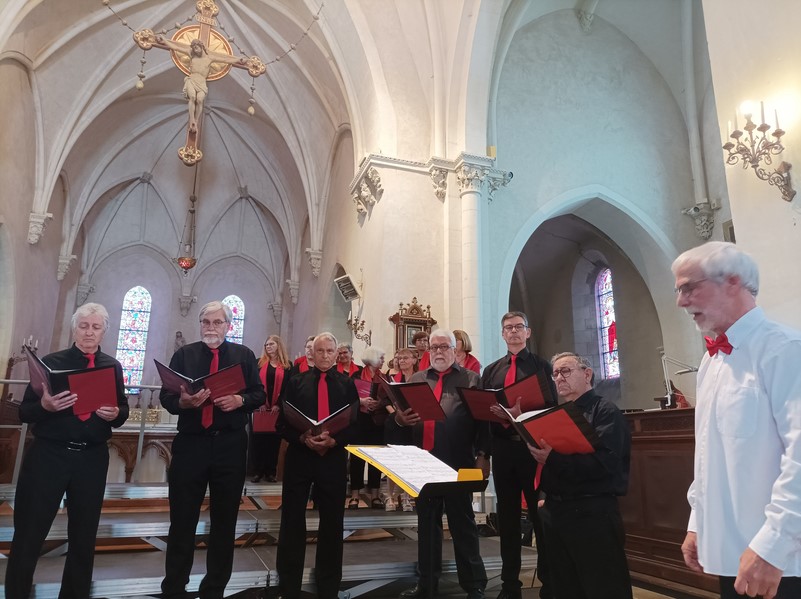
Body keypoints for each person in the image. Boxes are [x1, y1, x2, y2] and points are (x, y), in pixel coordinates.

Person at [672, 241, 801, 599]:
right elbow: (707, 454)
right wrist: (698, 523)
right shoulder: (711, 362)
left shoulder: (785, 350)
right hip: (735, 553)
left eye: (689, 287)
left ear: (732, 282)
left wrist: (773, 545)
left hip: (783, 560)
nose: (681, 301)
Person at [6, 303, 129, 599]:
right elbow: (24, 412)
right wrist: (44, 406)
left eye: (96, 327)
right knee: (29, 533)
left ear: (104, 331)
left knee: (84, 537)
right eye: (83, 326)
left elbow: (122, 409)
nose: (89, 332)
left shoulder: (112, 366)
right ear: (74, 329)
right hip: (49, 455)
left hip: (91, 458)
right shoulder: (51, 362)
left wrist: (116, 414)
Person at [159, 300, 266, 599]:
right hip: (191, 444)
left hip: (229, 446)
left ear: (228, 326)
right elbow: (167, 397)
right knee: (182, 520)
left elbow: (259, 394)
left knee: (224, 521)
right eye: (206, 322)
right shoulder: (184, 354)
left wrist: (240, 401)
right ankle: (174, 590)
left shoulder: (243, 356)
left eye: (217, 322)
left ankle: (214, 590)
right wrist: (183, 403)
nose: (211, 327)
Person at [528, 352, 632, 599]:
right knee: (564, 587)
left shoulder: (605, 412)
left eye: (565, 371)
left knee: (602, 587)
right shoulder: (557, 414)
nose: (559, 378)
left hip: (592, 512)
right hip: (557, 512)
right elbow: (548, 463)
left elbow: (606, 464)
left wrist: (553, 458)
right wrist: (545, 494)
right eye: (555, 373)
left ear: (587, 374)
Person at [393, 329, 488, 599]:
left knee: (463, 525)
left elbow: (483, 422)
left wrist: (483, 454)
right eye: (433, 347)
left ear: (454, 350)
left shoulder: (471, 379)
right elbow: (402, 420)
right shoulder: (417, 379)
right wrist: (400, 420)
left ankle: (474, 586)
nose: (438, 352)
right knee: (427, 527)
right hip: (423, 463)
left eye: (444, 347)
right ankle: (427, 585)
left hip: (458, 462)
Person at [275, 332, 359, 599]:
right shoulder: (295, 381)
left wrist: (334, 440)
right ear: (311, 353)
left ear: (336, 354)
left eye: (329, 351)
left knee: (333, 523)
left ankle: (328, 587)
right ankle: (289, 586)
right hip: (300, 457)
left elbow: (355, 425)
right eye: (319, 351)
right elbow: (281, 424)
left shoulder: (347, 384)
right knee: (292, 521)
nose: (324, 356)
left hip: (332, 460)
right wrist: (302, 437)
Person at [481, 311, 556, 599]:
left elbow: (550, 405)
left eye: (518, 327)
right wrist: (484, 452)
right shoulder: (492, 370)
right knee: (508, 518)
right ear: (502, 334)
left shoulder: (541, 366)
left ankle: (549, 584)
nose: (513, 332)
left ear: (528, 332)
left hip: (531, 448)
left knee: (539, 517)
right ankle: (510, 585)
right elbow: (483, 412)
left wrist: (519, 414)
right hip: (502, 449)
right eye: (508, 328)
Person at [155, 36, 247, 134]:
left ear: (201, 46)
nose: (195, 50)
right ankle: (192, 119)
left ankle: (196, 120)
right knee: (192, 97)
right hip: (192, 79)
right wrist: (165, 40)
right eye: (194, 48)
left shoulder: (210, 58)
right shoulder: (192, 54)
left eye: (196, 47)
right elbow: (176, 47)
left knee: (199, 100)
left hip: (202, 82)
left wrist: (238, 59)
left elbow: (225, 59)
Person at [348, 346, 386, 509]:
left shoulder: (384, 377)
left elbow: (389, 398)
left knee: (376, 460)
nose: (383, 361)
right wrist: (361, 402)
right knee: (357, 459)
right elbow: (348, 398)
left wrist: (380, 403)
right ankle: (355, 495)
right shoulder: (356, 376)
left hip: (377, 423)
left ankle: (375, 495)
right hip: (360, 421)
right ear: (373, 359)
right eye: (381, 358)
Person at [251, 335, 291, 482]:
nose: (268, 347)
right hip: (261, 408)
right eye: (266, 345)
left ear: (278, 346)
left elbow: (288, 388)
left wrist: (278, 404)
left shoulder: (287, 366)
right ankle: (258, 471)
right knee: (259, 442)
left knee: (274, 442)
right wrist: (260, 402)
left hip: (277, 410)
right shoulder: (259, 363)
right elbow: (254, 385)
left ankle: (270, 472)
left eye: (271, 344)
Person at [384, 347, 419, 511]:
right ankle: (390, 496)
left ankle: (406, 497)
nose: (401, 360)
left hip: (414, 423)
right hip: (395, 423)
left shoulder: (420, 378)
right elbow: (385, 400)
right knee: (394, 461)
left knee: (410, 461)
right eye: (399, 358)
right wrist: (396, 414)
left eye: (405, 357)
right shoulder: (392, 378)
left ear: (414, 360)